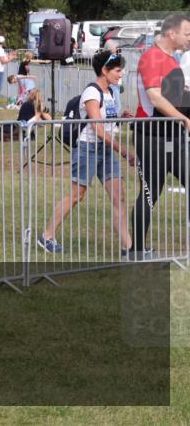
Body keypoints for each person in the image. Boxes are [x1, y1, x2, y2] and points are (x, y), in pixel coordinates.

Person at [38, 50, 135, 256]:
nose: (121, 74)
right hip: (88, 150)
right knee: (76, 196)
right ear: (104, 70)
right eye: (118, 70)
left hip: (106, 151)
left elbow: (107, 123)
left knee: (119, 197)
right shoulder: (92, 93)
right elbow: (98, 130)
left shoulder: (110, 92)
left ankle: (129, 248)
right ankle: (46, 236)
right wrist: (124, 151)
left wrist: (120, 117)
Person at [130, 14, 190, 260]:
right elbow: (155, 97)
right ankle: (137, 250)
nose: (189, 38)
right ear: (171, 34)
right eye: (187, 33)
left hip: (173, 136)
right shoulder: (151, 57)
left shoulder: (173, 59)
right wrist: (184, 118)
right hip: (151, 136)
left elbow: (178, 93)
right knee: (150, 192)